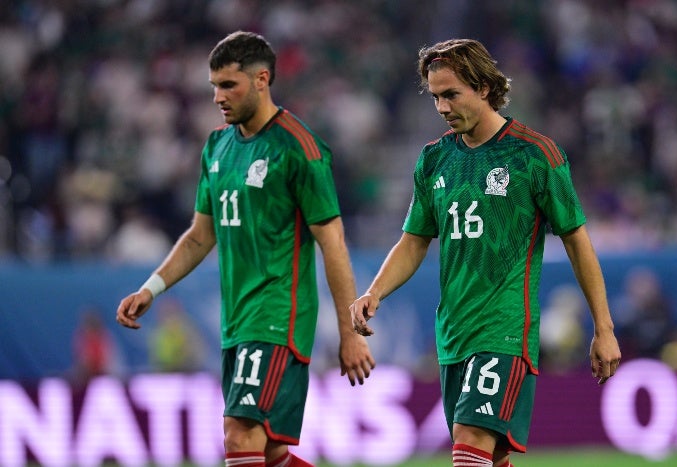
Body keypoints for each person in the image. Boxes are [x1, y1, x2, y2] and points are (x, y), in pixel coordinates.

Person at [350, 38, 621, 467]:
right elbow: (415, 239)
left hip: (505, 330)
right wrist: (375, 291)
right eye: (435, 96)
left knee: (469, 444)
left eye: (451, 94)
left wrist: (603, 328)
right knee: (486, 457)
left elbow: (577, 242)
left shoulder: (534, 155)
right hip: (453, 335)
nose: (441, 107)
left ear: (484, 88)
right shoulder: (434, 159)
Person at [116, 31, 375, 467]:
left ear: (262, 79)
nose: (218, 96)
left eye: (228, 85)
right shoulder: (217, 146)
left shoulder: (299, 148)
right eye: (214, 85)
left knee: (239, 435)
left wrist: (349, 334)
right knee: (270, 452)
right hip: (236, 321)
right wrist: (152, 288)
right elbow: (200, 235)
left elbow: (333, 245)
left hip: (276, 316)